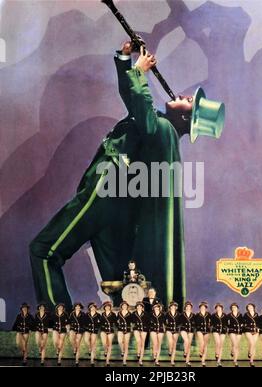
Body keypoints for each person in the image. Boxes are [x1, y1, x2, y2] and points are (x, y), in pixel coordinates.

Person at [29, 39, 194, 311]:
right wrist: (124, 60)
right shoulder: (158, 125)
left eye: (191, 103)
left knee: (44, 251)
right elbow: (135, 100)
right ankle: (73, 322)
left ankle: (56, 320)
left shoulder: (163, 129)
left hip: (106, 192)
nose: (186, 96)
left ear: (186, 120)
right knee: (120, 283)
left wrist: (139, 73)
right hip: (115, 202)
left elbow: (143, 111)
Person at [131, 301, 149, 366]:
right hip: (136, 328)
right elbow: (132, 322)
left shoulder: (146, 313)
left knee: (142, 343)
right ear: (136, 307)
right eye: (138, 306)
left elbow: (148, 322)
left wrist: (146, 327)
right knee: (139, 341)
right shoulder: (133, 313)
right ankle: (138, 352)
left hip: (144, 329)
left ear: (142, 307)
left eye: (140, 306)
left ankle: (140, 360)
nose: (139, 307)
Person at [100, 301, 117, 367]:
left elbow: (115, 322)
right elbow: (100, 322)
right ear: (104, 307)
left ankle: (107, 361)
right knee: (104, 343)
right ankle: (105, 350)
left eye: (108, 306)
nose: (107, 307)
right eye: (106, 306)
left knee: (109, 344)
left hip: (110, 330)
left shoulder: (113, 314)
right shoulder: (102, 314)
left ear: (110, 307)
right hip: (103, 330)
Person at [84, 302, 102, 367]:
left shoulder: (98, 315)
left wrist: (97, 326)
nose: (92, 308)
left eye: (94, 307)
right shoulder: (86, 314)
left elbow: (100, 323)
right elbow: (84, 322)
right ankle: (89, 348)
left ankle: (92, 360)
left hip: (94, 330)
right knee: (86, 340)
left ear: (95, 308)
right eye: (91, 307)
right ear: (89, 308)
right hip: (87, 329)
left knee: (93, 344)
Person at [194, 301, 211, 367]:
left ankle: (203, 361)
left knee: (205, 345)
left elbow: (211, 322)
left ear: (206, 307)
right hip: (199, 330)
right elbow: (195, 323)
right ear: (200, 307)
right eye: (201, 307)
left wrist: (210, 326)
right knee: (202, 343)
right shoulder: (197, 315)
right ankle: (200, 352)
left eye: (204, 307)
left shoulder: (209, 314)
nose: (202, 308)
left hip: (207, 330)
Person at [164, 301, 181, 366]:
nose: (173, 307)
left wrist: (178, 327)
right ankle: (170, 351)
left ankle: (172, 360)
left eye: (174, 306)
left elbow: (180, 322)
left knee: (174, 345)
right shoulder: (167, 314)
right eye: (172, 306)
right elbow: (164, 321)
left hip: (176, 330)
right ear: (170, 307)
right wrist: (166, 325)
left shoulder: (179, 314)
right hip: (169, 329)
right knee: (171, 342)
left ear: (176, 307)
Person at [69, 302, 86, 366]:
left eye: (79, 306)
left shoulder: (83, 314)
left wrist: (83, 328)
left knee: (77, 342)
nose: (78, 307)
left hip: (80, 329)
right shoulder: (72, 314)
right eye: (76, 306)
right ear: (75, 307)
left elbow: (84, 322)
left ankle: (77, 360)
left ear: (80, 307)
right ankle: (74, 348)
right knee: (71, 339)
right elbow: (69, 321)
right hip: (73, 328)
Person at [227, 303, 243, 367]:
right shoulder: (229, 315)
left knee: (236, 345)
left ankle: (234, 357)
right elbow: (227, 323)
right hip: (232, 330)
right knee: (235, 344)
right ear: (231, 308)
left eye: (235, 307)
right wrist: (228, 328)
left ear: (237, 308)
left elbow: (242, 322)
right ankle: (235, 360)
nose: (234, 308)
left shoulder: (240, 315)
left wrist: (242, 326)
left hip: (239, 331)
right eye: (232, 307)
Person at [211, 303, 227, 367]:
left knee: (221, 345)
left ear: (222, 308)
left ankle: (218, 361)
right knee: (218, 342)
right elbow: (211, 323)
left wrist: (226, 328)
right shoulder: (213, 315)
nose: (218, 308)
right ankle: (216, 353)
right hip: (215, 330)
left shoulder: (225, 315)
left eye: (219, 307)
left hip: (223, 331)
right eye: (217, 308)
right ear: (216, 309)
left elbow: (226, 323)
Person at [116, 301, 132, 366]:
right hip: (120, 329)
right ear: (121, 306)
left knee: (126, 344)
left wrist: (131, 329)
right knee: (120, 341)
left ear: (127, 306)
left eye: (125, 305)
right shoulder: (119, 313)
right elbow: (116, 320)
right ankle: (122, 350)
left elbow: (131, 322)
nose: (124, 306)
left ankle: (124, 361)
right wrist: (118, 325)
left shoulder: (130, 313)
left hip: (127, 329)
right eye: (123, 305)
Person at [179, 301, 195, 367]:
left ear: (191, 307)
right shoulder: (182, 314)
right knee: (186, 341)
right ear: (185, 307)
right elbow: (179, 322)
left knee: (189, 344)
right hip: (183, 329)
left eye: (189, 306)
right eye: (187, 306)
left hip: (190, 330)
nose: (188, 307)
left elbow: (195, 323)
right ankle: (185, 352)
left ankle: (187, 361)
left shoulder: (193, 315)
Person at [243, 303, 259, 367]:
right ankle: (250, 352)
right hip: (248, 330)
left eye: (251, 306)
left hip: (255, 331)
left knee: (254, 345)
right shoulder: (245, 314)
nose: (250, 307)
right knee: (252, 343)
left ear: (253, 307)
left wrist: (258, 328)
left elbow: (258, 323)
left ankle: (251, 361)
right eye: (248, 307)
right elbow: (243, 322)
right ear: (247, 308)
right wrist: (245, 326)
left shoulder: (257, 314)